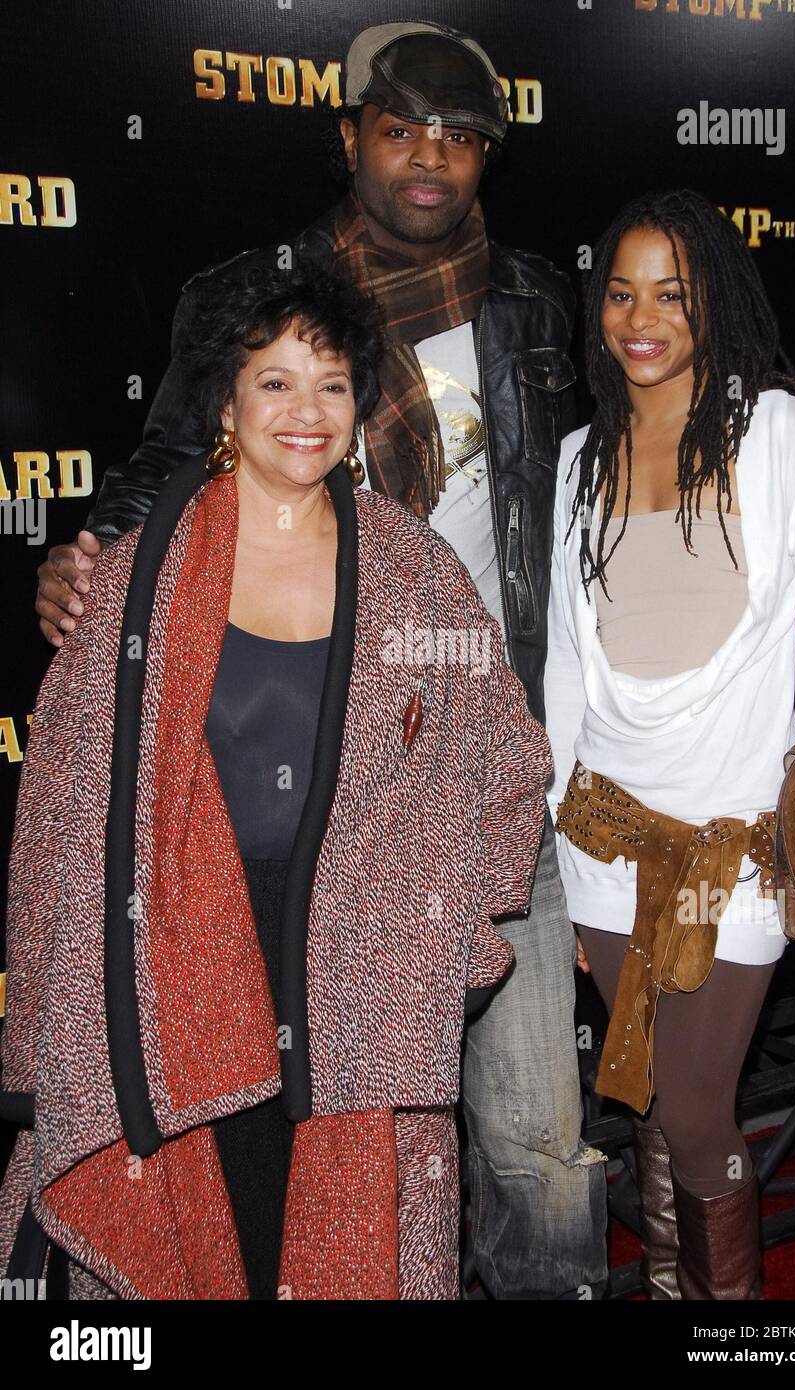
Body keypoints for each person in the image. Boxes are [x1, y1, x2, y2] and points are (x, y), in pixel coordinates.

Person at [33, 21, 608, 1299]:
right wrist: (84, 565)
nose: (428, 160)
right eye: (400, 128)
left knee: (533, 1139)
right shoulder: (258, 296)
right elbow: (166, 472)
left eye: (459, 138)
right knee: (306, 1127)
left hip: (484, 752)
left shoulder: (532, 300)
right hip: (317, 780)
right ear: (347, 135)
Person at [544, 189, 795, 1301]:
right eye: (621, 293)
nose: (641, 318)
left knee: (694, 1106)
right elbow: (563, 668)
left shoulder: (784, 435)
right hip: (599, 842)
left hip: (727, 857)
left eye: (671, 294)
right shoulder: (578, 457)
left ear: (713, 304)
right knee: (643, 1096)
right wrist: (544, 810)